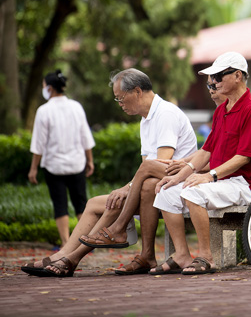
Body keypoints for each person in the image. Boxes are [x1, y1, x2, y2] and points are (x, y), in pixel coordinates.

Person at [23, 68, 198, 277]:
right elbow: (147, 169)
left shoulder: (166, 114)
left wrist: (128, 187)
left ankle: (75, 257)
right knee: (96, 203)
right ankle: (62, 255)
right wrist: (129, 188)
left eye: (121, 98)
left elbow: (161, 165)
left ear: (137, 92)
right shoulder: (146, 119)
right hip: (153, 187)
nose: (120, 104)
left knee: (122, 195)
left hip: (175, 186)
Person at [124, 51, 251, 276]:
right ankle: (181, 254)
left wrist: (210, 176)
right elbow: (206, 151)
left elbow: (244, 157)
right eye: (212, 78)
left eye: (218, 77)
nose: (213, 82)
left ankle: (206, 257)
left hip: (245, 184)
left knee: (194, 193)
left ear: (238, 76)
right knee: (166, 191)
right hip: (223, 182)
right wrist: (178, 176)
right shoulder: (222, 109)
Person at [28, 69, 95, 247]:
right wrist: (90, 160)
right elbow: (85, 137)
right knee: (81, 203)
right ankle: (85, 243)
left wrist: (33, 168)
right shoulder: (76, 107)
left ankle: (66, 244)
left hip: (53, 166)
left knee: (60, 204)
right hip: (76, 163)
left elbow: (38, 143)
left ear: (49, 88)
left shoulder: (44, 111)